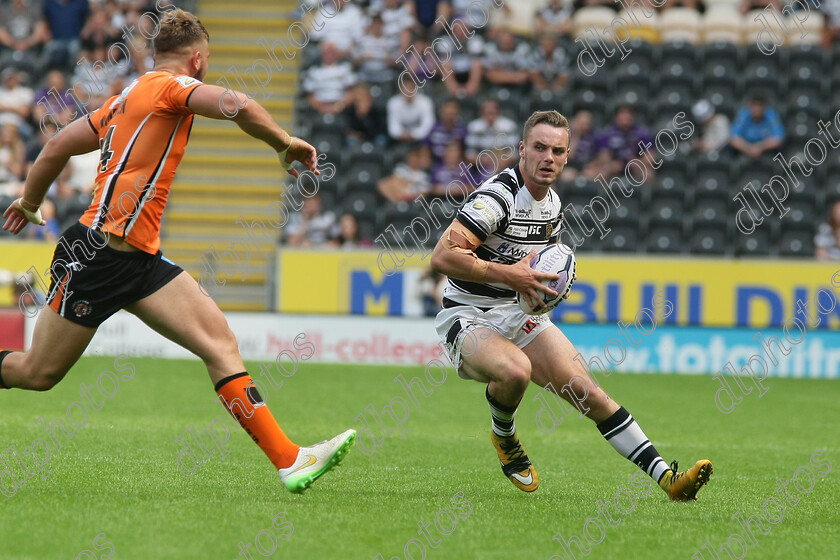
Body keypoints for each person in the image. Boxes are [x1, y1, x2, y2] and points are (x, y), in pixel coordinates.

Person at [0, 8, 354, 494]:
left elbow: (59, 143)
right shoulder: (171, 87)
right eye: (205, 60)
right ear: (197, 59)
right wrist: (285, 142)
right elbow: (240, 105)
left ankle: (290, 460)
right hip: (96, 256)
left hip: (139, 259)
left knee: (218, 343)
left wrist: (31, 201)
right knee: (38, 374)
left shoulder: (125, 96)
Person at [428, 110, 712, 499]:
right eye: (540, 147)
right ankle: (504, 437)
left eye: (557, 150)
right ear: (523, 150)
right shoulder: (497, 197)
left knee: (588, 393)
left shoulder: (552, 205)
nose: (548, 157)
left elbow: (543, 267)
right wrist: (513, 276)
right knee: (515, 371)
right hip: (468, 315)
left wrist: (545, 291)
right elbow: (442, 258)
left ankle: (669, 480)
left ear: (566, 156)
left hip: (517, 313)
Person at [729, 94, 784, 161]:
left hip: (766, 151)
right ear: (750, 106)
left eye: (760, 105)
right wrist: (749, 149)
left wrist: (760, 147)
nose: (757, 109)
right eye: (754, 105)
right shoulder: (743, 114)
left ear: (765, 107)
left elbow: (778, 139)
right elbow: (734, 138)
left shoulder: (771, 115)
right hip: (745, 150)